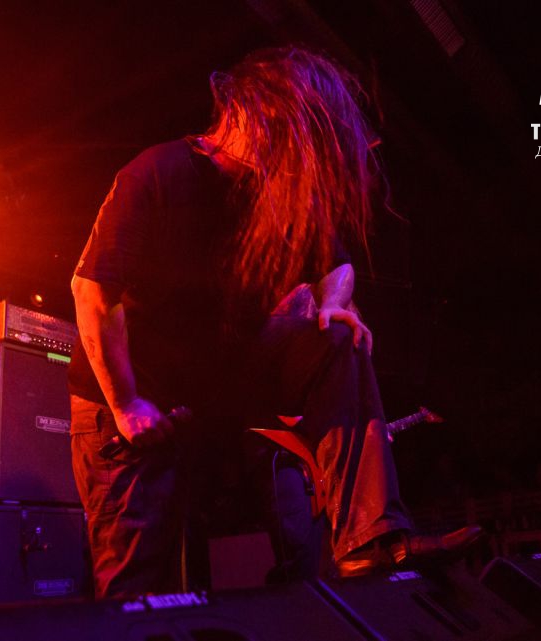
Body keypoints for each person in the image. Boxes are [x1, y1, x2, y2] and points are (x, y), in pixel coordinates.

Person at [68, 46, 479, 599]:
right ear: (245, 115)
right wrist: (126, 404)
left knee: (336, 337)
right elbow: (92, 290)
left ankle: (368, 539)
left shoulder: (276, 199)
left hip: (217, 381)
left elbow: (337, 266)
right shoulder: (159, 172)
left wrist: (331, 303)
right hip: (129, 394)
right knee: (135, 587)